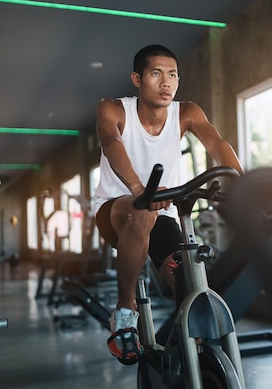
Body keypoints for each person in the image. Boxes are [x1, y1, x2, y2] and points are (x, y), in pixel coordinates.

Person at [92, 44, 243, 365]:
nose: (166, 83)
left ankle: (191, 357)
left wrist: (245, 185)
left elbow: (216, 142)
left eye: (173, 75)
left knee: (190, 284)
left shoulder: (187, 112)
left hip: (161, 213)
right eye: (156, 73)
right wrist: (138, 189)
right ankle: (124, 313)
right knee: (141, 211)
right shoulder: (113, 108)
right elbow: (110, 141)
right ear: (137, 79)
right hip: (115, 211)